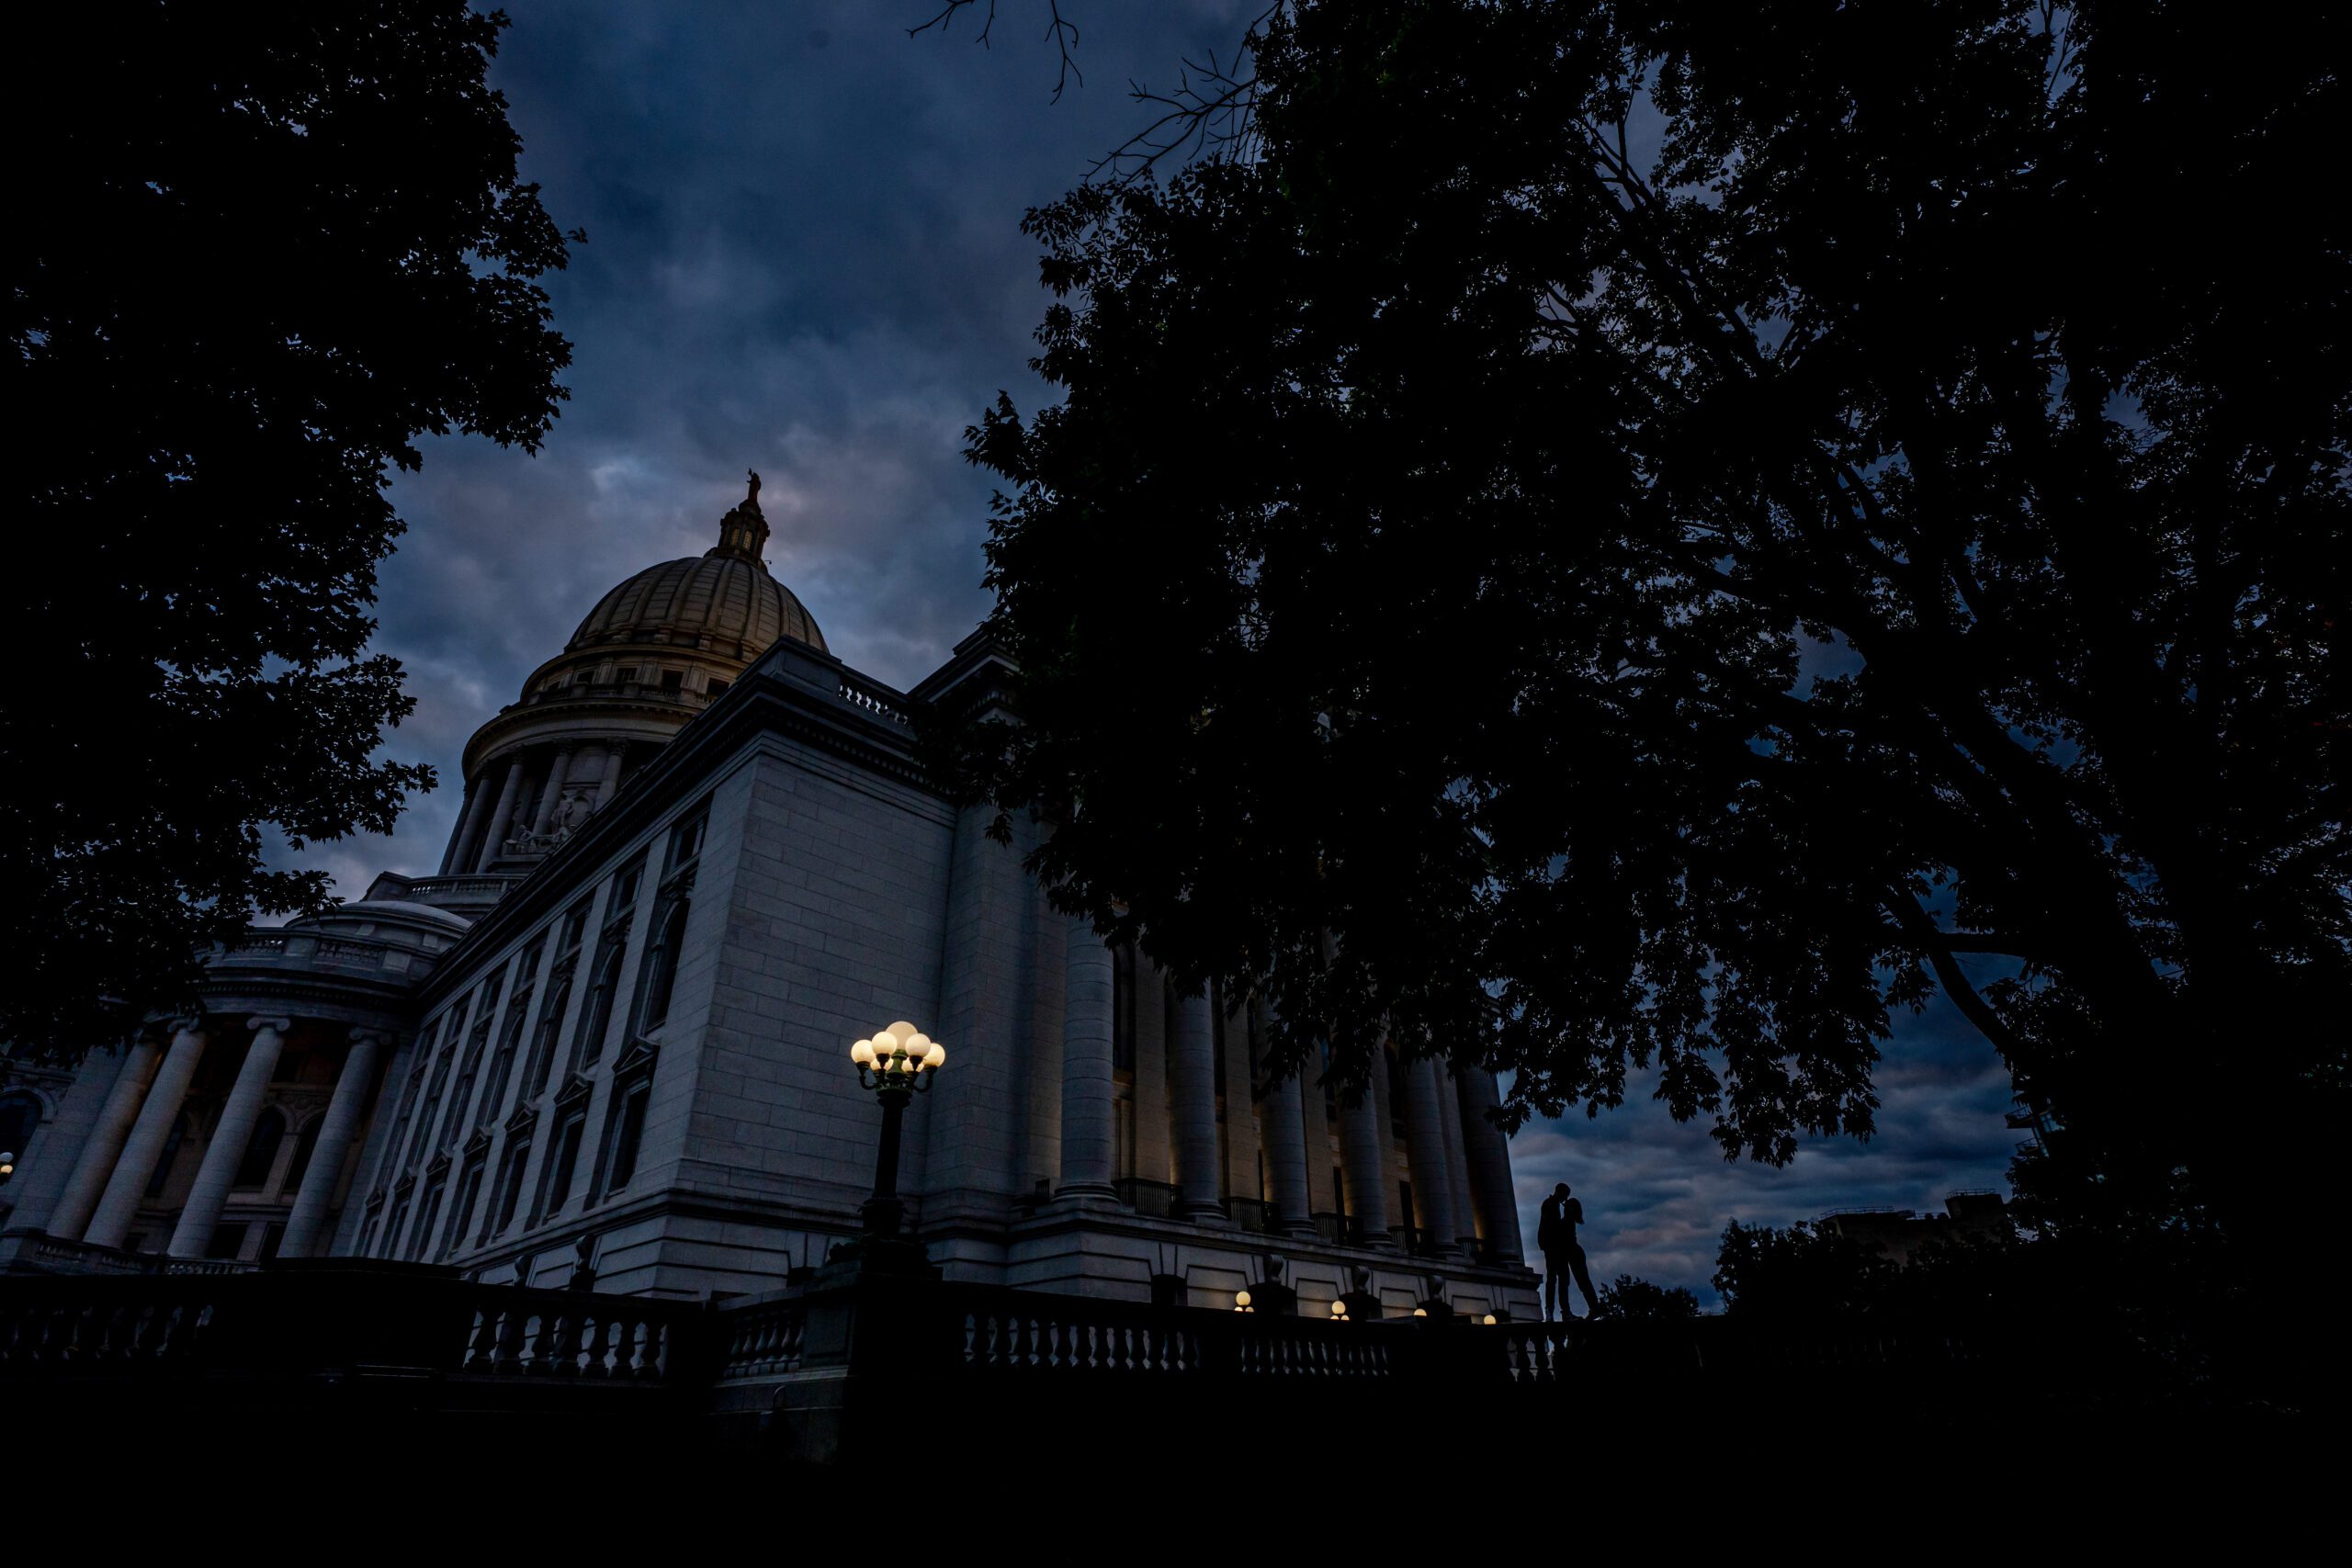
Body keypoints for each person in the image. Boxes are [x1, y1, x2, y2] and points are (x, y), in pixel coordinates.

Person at [1536, 1181, 1599, 1321]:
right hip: (1566, 1252)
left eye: (1567, 1204)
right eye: (1565, 1199)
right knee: (1576, 1281)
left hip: (1569, 1253)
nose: (1564, 1203)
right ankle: (1578, 1311)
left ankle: (1575, 1311)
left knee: (1576, 1281)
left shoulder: (1564, 1219)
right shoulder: (1558, 1211)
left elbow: (1553, 1229)